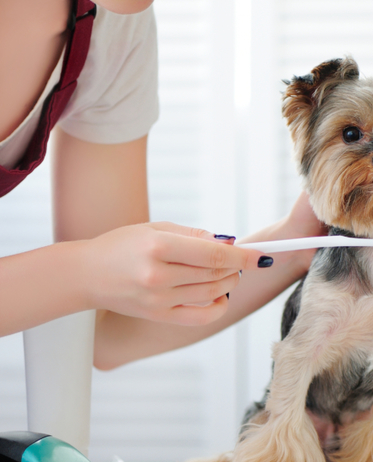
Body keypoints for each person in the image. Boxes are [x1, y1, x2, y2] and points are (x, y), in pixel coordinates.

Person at [0, 0, 326, 369]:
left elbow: (108, 331)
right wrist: (83, 271)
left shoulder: (115, 28)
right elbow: (93, 282)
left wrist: (298, 243)